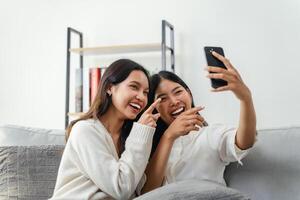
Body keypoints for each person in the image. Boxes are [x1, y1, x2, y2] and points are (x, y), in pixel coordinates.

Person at [141, 51, 257, 193]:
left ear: (189, 94)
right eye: (163, 98)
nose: (174, 101)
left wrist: (245, 98)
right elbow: (147, 193)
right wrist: (168, 136)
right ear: (153, 108)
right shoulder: (148, 146)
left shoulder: (210, 135)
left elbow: (244, 142)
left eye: (178, 92)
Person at [50, 59, 161, 200]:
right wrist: (140, 133)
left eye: (146, 92)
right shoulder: (85, 131)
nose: (141, 97)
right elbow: (121, 189)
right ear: (109, 87)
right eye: (134, 87)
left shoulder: (129, 137)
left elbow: (140, 192)